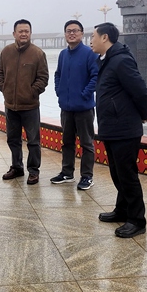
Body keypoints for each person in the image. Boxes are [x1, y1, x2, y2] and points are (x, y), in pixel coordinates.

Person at [90, 22, 147, 238]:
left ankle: (137, 220)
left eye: (93, 36)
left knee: (127, 175)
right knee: (118, 173)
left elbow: (141, 92)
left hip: (124, 128)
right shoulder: (107, 60)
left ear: (104, 37)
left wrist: (143, 113)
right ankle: (123, 210)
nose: (91, 41)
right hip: (112, 126)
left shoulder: (121, 60)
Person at [0, 19, 49, 185]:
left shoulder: (38, 53)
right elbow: (0, 73)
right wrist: (4, 88)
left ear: (30, 33)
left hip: (30, 106)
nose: (24, 34)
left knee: (33, 141)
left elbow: (43, 78)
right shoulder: (6, 52)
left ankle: (33, 171)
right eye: (21, 31)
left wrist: (31, 92)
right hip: (10, 106)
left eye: (27, 31)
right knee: (13, 139)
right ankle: (17, 167)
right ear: (14, 34)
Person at [50, 20, 98, 190]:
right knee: (67, 142)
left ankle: (87, 176)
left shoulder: (89, 53)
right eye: (68, 31)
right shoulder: (63, 54)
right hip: (66, 107)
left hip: (84, 108)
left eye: (75, 31)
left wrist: (85, 94)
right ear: (65, 34)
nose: (71, 33)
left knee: (86, 144)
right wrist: (59, 91)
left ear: (81, 34)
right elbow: (58, 74)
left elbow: (95, 76)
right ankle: (67, 173)